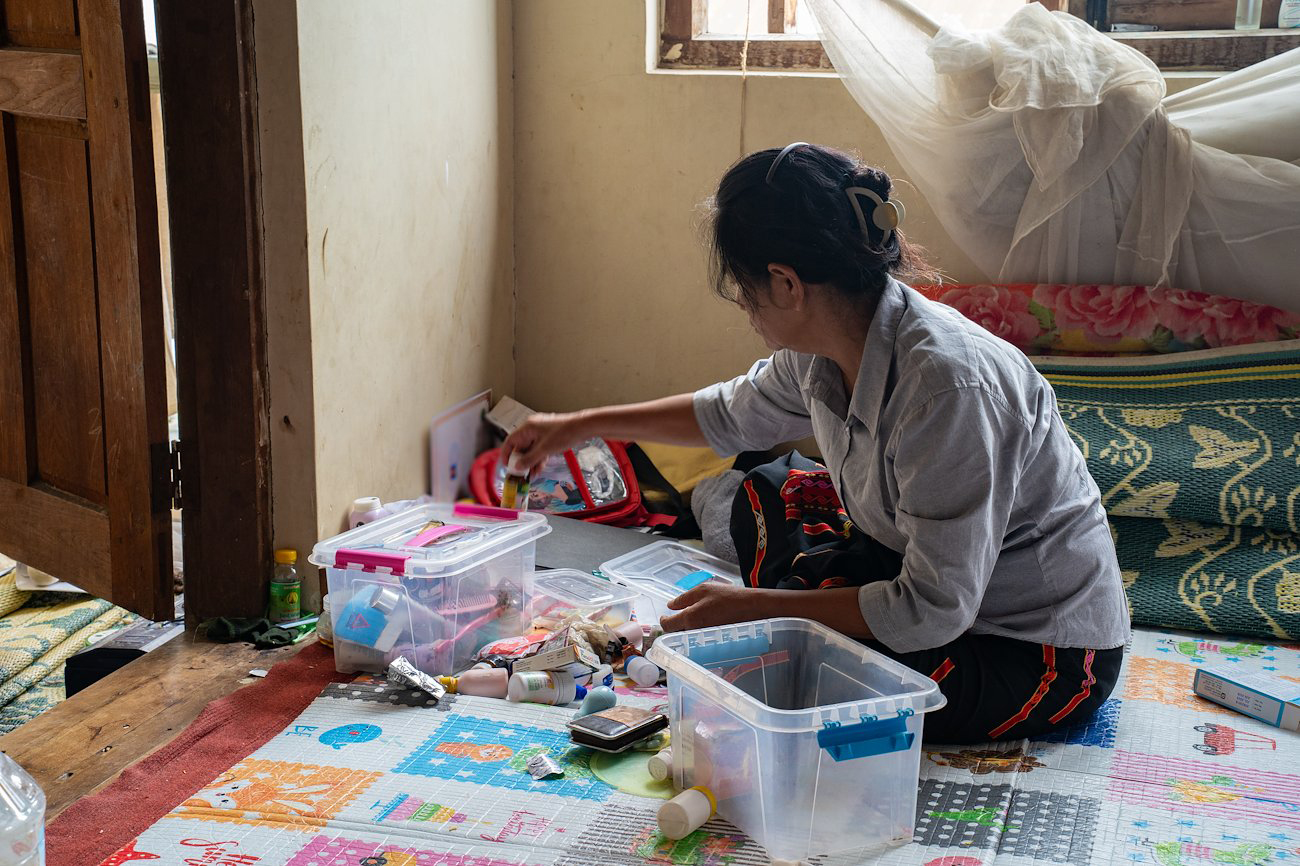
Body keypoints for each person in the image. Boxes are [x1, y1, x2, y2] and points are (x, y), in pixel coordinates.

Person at [502, 143, 1129, 744]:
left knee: (792, 681)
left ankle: (792, 622)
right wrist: (577, 424)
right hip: (911, 565)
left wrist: (755, 609)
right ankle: (796, 613)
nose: (748, 313)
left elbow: (933, 612)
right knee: (768, 491)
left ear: (785, 283)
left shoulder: (946, 388)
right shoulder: (828, 345)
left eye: (746, 295)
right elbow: (730, 415)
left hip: (1029, 650)